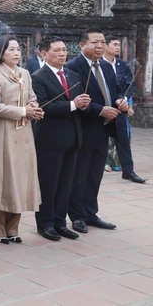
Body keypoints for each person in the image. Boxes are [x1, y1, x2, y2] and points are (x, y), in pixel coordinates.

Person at [0, 36, 44, 244]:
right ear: (0, 52)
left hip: (23, 132)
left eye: (18, 49)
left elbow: (32, 97)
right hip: (1, 132)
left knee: (22, 179)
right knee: (2, 179)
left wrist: (33, 108)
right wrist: (23, 111)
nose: (17, 53)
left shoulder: (24, 73)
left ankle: (13, 228)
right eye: (11, 50)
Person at [65, 28, 126, 234]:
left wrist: (120, 101)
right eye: (94, 42)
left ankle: (91, 212)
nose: (99, 46)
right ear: (82, 45)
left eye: (102, 42)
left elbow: (116, 89)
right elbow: (74, 98)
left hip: (105, 128)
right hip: (84, 128)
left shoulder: (107, 67)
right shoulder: (73, 67)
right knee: (79, 174)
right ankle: (77, 215)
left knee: (95, 174)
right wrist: (101, 110)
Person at [31, 36, 89, 241]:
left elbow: (79, 104)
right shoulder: (38, 76)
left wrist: (83, 104)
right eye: (56, 51)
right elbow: (44, 106)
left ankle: (59, 221)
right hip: (49, 139)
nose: (62, 54)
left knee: (66, 183)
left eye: (64, 50)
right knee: (49, 183)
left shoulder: (73, 76)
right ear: (44, 54)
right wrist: (73, 104)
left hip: (72, 138)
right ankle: (45, 223)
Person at [103, 36, 145, 183]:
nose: (118, 47)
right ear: (106, 46)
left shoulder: (122, 64)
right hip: (103, 109)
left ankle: (128, 171)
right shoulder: (99, 64)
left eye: (119, 45)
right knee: (99, 140)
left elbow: (130, 84)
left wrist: (125, 99)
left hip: (120, 108)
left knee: (123, 140)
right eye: (114, 44)